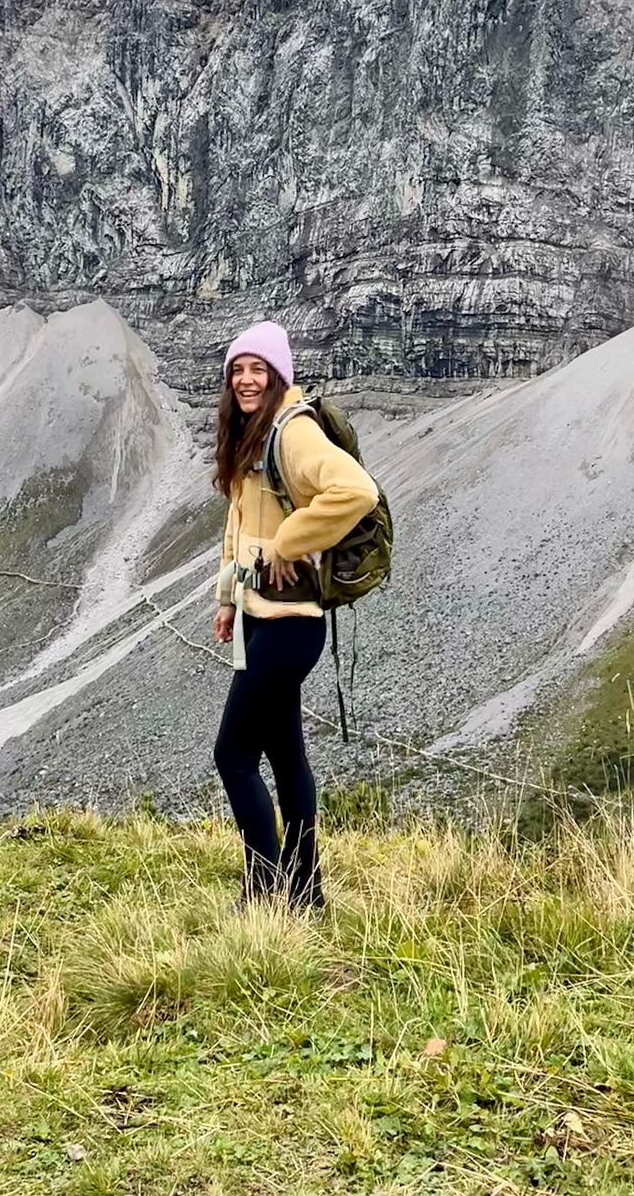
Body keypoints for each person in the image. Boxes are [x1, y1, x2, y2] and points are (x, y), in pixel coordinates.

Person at [211, 320, 378, 909]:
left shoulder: (293, 429)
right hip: (262, 614)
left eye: (258, 369)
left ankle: (262, 892)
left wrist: (288, 540)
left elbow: (355, 490)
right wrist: (228, 598)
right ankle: (306, 895)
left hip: (293, 621)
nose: (247, 380)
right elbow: (238, 523)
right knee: (285, 756)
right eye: (238, 370)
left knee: (231, 755)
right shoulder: (251, 433)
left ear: (278, 374)